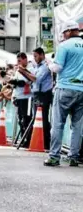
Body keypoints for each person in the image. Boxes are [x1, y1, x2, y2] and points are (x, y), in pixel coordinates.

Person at [44, 21, 83, 166]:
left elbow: (57, 67)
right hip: (82, 89)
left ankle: (54, 156)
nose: (63, 36)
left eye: (63, 33)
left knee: (58, 123)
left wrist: (49, 64)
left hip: (65, 88)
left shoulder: (64, 46)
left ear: (68, 32)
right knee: (77, 126)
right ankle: (73, 156)